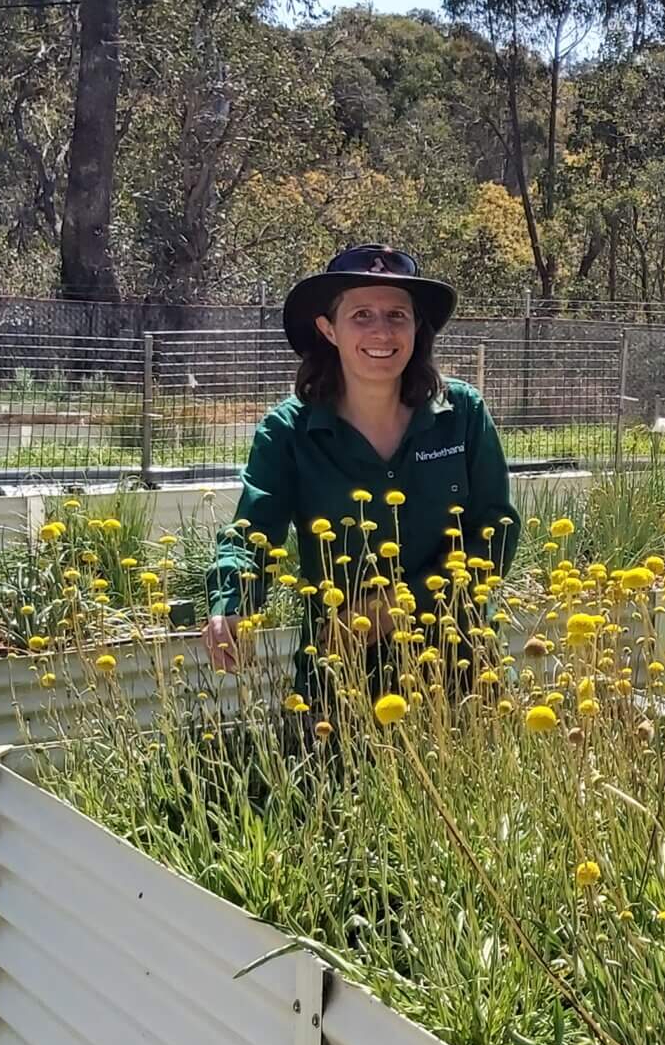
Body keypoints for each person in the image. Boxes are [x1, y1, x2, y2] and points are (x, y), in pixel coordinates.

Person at [204, 244, 518, 709]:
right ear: (328, 329)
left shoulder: (462, 414)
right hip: (340, 679)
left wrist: (393, 606)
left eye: (397, 315)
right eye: (361, 315)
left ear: (417, 327)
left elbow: (495, 532)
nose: (382, 331)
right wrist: (231, 605)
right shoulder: (288, 431)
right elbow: (253, 533)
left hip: (463, 670)